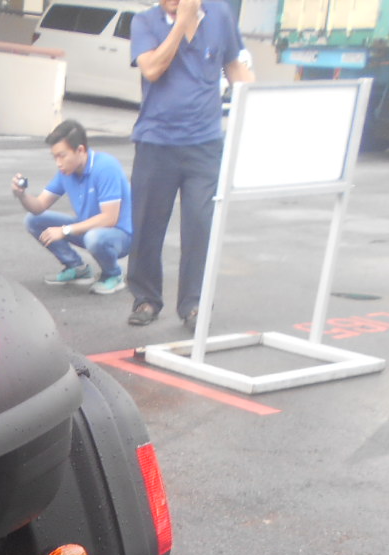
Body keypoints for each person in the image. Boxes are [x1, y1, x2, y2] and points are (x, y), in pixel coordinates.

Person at [126, 0, 254, 328]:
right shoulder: (144, 22)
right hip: (156, 142)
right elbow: (152, 68)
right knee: (147, 226)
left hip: (204, 144)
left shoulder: (220, 14)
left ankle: (194, 304)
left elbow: (235, 67)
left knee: (200, 226)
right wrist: (182, 23)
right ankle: (146, 299)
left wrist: (259, 105)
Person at [12, 119, 133, 297]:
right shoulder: (66, 172)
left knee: (94, 237)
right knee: (33, 220)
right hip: (89, 229)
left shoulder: (106, 167)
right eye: (55, 157)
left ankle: (113, 274)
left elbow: (109, 218)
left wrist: (65, 230)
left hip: (120, 235)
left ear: (80, 150)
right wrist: (22, 195)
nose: (58, 163)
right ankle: (77, 268)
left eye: (62, 156)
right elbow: (38, 207)